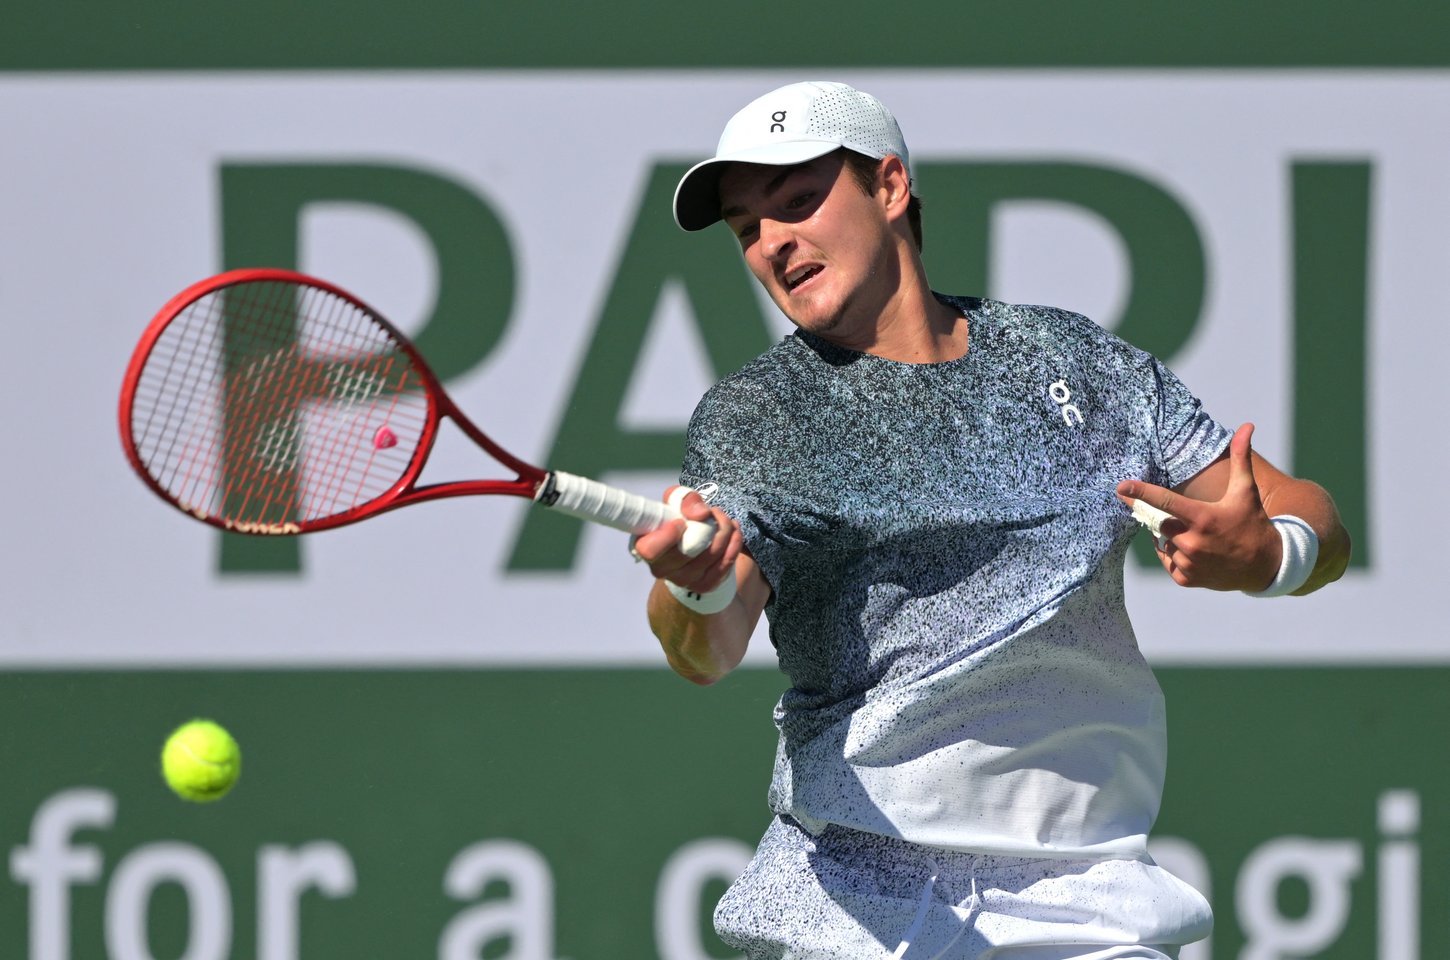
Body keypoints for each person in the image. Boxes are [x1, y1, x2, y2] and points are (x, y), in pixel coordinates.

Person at [631, 81, 1350, 960]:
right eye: (749, 228)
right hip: (856, 912)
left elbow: (1313, 520)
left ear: (890, 188)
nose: (775, 242)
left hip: (1086, 906)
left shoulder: (1074, 361)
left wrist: (1271, 553)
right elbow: (705, 646)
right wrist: (691, 591)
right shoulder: (758, 418)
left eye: (799, 202)